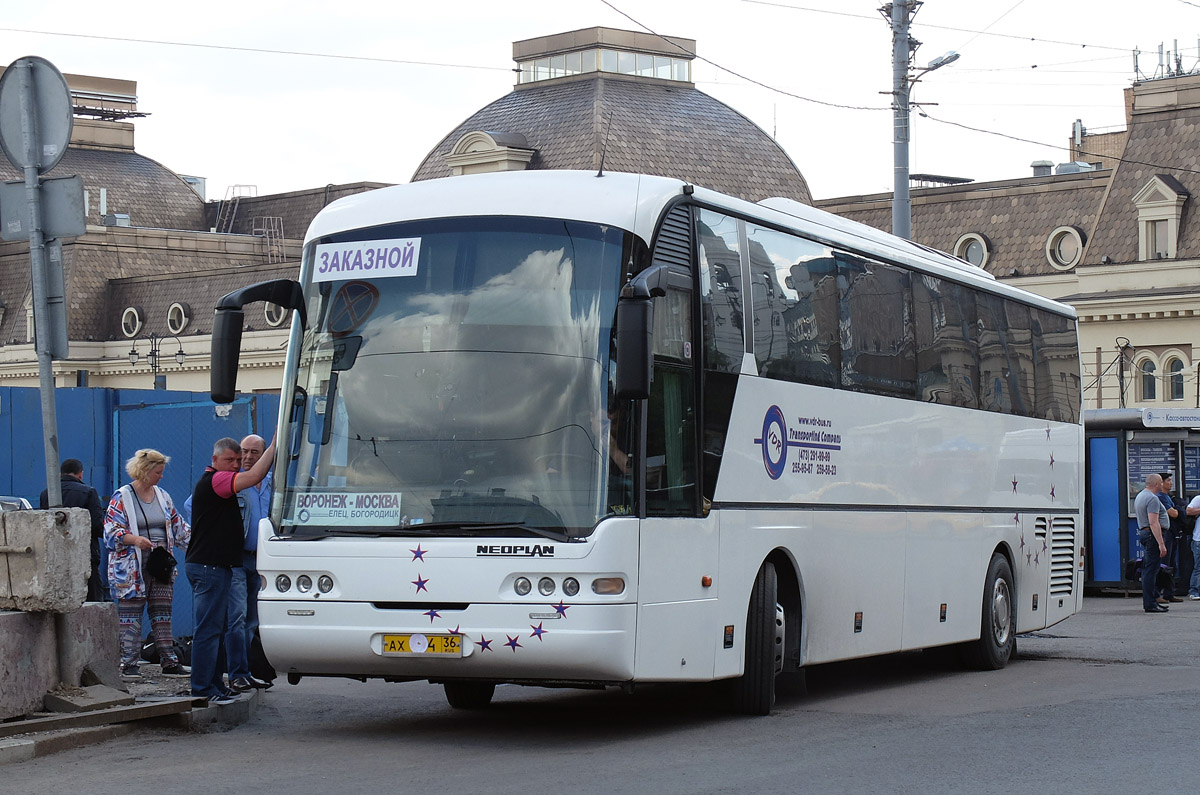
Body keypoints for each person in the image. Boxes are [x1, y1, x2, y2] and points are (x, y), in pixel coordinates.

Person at [187, 436, 275, 705]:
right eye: (231, 459)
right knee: (209, 630)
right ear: (214, 460)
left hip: (221, 565)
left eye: (238, 460)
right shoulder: (216, 480)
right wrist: (276, 443)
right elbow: (255, 474)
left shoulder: (220, 480)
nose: (236, 464)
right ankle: (202, 687)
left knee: (218, 628)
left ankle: (215, 684)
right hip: (209, 566)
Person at [103, 449, 191, 678]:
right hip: (131, 569)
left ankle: (169, 661)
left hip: (160, 565)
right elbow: (111, 533)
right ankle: (129, 662)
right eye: (158, 472)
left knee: (163, 613)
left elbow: (178, 526)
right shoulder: (122, 497)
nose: (161, 476)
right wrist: (134, 540)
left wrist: (198, 548)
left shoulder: (162, 496)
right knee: (130, 615)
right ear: (145, 471)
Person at [226, 434, 273, 692]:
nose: (248, 457)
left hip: (263, 561)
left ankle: (247, 671)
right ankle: (236, 673)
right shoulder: (234, 484)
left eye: (254, 452)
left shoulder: (272, 484)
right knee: (237, 618)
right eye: (244, 451)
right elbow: (193, 506)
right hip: (237, 559)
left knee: (254, 621)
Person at [40, 459, 106, 602]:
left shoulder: (46, 493)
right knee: (92, 600)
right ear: (80, 474)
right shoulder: (89, 492)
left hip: (55, 555)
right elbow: (96, 526)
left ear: (60, 474)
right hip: (85, 554)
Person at [1135, 473, 1170, 613]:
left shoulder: (1141, 495)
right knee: (1151, 570)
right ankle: (1150, 604)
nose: (1162, 485)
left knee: (1150, 568)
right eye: (1161, 482)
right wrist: (1161, 543)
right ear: (1156, 484)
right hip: (1152, 535)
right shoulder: (1152, 499)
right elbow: (1153, 522)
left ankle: (1153, 600)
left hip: (1146, 533)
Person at [1157, 473, 1183, 603]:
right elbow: (1173, 513)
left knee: (1172, 565)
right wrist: (1179, 510)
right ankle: (1158, 593)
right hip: (1166, 534)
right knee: (1164, 564)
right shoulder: (1161, 497)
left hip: (1172, 533)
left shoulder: (1167, 497)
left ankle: (1169, 593)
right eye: (1168, 481)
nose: (1171, 483)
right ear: (1161, 483)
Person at [1187, 494, 1200, 600]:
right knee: (1198, 567)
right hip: (1198, 539)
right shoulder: (1198, 499)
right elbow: (1188, 511)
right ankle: (1194, 591)